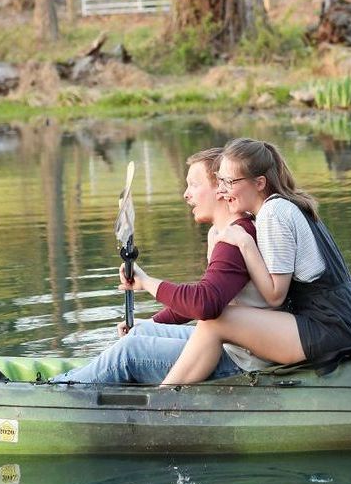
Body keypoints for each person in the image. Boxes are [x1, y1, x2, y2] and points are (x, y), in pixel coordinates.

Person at [160, 138, 351, 386]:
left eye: (230, 182)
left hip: (330, 329)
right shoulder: (287, 204)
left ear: (259, 182)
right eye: (221, 182)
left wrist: (244, 243)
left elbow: (276, 296)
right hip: (346, 321)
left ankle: (162, 397)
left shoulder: (273, 214)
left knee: (217, 321)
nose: (224, 190)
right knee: (218, 319)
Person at [50, 147, 271, 386]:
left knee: (130, 351)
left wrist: (147, 283)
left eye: (194, 185)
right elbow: (207, 298)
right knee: (137, 334)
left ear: (221, 188)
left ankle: (53, 391)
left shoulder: (235, 237)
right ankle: (68, 382)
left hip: (241, 360)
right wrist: (153, 322)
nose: (186, 194)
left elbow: (204, 303)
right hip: (226, 344)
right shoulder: (219, 233)